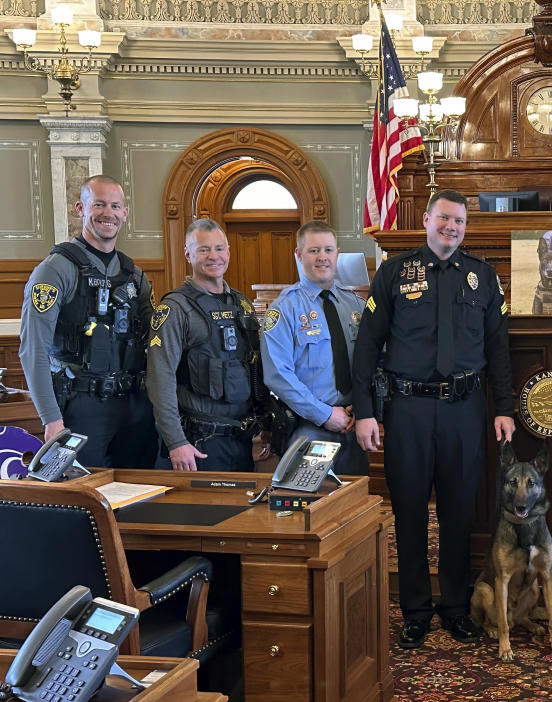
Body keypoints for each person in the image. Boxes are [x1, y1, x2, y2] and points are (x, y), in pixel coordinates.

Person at [353, 189, 515, 650]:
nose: (452, 227)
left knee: (460, 511)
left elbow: (498, 349)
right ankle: (416, 610)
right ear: (427, 219)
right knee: (407, 511)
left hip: (465, 408)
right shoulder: (394, 272)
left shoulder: (482, 278)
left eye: (459, 221)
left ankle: (456, 608)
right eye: (444, 218)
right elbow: (367, 346)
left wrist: (504, 407)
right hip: (408, 409)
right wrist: (365, 411)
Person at [19, 174, 157, 469]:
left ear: (125, 214)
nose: (109, 213)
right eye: (99, 204)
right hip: (81, 407)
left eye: (116, 206)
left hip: (135, 406)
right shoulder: (55, 271)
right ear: (80, 208)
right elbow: (33, 351)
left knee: (142, 496)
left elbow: (156, 340)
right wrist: (51, 419)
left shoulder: (135, 276)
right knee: (87, 497)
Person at [146, 218, 265, 472]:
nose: (214, 256)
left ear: (229, 251)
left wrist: (266, 426)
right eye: (204, 249)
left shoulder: (241, 304)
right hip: (197, 444)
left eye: (219, 248)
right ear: (188, 254)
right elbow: (160, 379)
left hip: (240, 440)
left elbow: (255, 368)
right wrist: (176, 441)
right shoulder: (175, 308)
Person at [261, 220, 368, 475]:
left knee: (354, 508)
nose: (323, 258)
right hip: (310, 428)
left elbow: (370, 362)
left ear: (337, 254)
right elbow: (278, 376)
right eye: (314, 251)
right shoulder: (284, 309)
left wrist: (364, 408)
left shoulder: (356, 306)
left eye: (329, 250)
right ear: (299, 254)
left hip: (354, 427)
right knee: (307, 507)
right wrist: (325, 415)